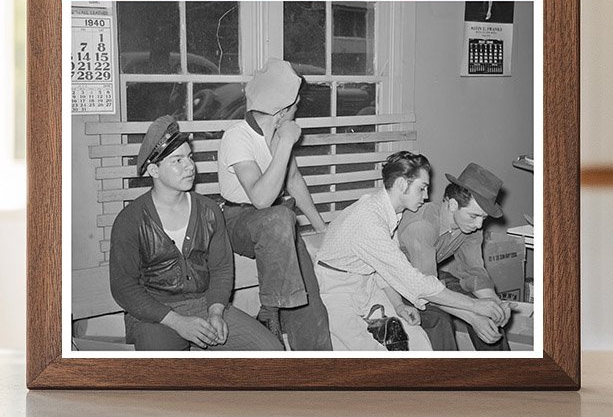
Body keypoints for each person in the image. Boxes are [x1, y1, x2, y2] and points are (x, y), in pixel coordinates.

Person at [109, 115, 282, 352]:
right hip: (155, 314)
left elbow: (221, 269)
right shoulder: (130, 220)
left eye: (190, 157)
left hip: (205, 305)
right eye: (177, 160)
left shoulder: (209, 210)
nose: (190, 166)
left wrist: (216, 311)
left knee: (271, 351)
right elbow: (124, 288)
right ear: (154, 170)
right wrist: (178, 323)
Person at [314, 151, 506, 351]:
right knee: (369, 351)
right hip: (336, 291)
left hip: (369, 285)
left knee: (416, 341)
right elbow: (416, 283)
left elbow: (381, 269)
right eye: (421, 188)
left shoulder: (389, 212)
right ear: (401, 184)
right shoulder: (370, 221)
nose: (426, 196)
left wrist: (398, 306)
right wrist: (475, 307)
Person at [216, 58, 332, 350]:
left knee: (311, 305)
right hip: (238, 221)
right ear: (281, 112)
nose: (297, 112)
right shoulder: (237, 136)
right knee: (279, 217)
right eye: (295, 107)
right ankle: (270, 312)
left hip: (278, 226)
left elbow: (293, 181)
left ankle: (317, 368)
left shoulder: (278, 135)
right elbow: (261, 198)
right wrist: (285, 144)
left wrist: (323, 229)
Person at [396, 161, 514, 351]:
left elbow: (473, 272)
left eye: (483, 218)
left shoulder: (470, 227)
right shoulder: (422, 225)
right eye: (473, 216)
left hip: (429, 277)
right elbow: (425, 289)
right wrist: (473, 316)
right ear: (452, 205)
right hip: (399, 284)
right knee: (438, 319)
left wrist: (495, 304)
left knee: (487, 310)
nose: (479, 225)